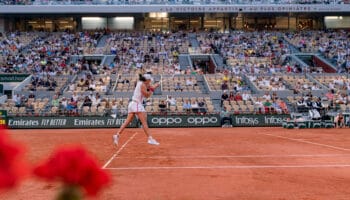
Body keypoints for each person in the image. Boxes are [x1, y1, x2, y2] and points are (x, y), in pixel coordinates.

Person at [113, 74, 160, 146]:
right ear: (147, 80)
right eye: (149, 80)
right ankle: (150, 139)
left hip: (132, 104)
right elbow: (147, 95)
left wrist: (154, 86)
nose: (150, 81)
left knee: (127, 122)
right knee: (144, 122)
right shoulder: (142, 85)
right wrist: (153, 89)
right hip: (137, 104)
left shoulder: (141, 83)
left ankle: (117, 135)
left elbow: (149, 87)